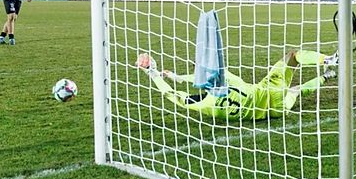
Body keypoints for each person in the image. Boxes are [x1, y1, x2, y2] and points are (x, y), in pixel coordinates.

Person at [135, 49, 338, 120]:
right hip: (268, 91)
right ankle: (327, 60)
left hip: (275, 111)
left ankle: (327, 76)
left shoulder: (206, 105)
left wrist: (154, 73)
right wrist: (177, 76)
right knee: (293, 56)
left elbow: (171, 95)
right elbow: (206, 76)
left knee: (295, 91)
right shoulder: (225, 79)